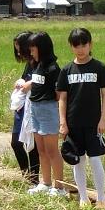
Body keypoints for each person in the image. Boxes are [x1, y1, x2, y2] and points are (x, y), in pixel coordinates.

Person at [58, 27, 105, 206]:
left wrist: (103, 119)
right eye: (76, 46)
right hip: (73, 123)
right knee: (78, 161)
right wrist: (63, 123)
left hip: (94, 123)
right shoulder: (66, 70)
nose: (80, 49)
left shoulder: (99, 67)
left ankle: (102, 199)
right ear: (71, 46)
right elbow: (62, 99)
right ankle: (83, 198)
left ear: (90, 44)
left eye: (84, 45)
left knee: (96, 160)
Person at [24, 30, 65, 194]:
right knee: (40, 149)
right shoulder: (36, 65)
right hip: (35, 108)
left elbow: (58, 93)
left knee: (52, 150)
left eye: (33, 48)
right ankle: (45, 182)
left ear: (42, 48)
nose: (31, 52)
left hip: (48, 108)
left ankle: (59, 186)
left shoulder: (53, 68)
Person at [8, 31, 40, 181]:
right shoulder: (29, 64)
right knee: (16, 143)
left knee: (32, 145)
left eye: (20, 48)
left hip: (34, 109)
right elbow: (25, 78)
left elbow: (47, 79)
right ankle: (27, 175)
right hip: (22, 108)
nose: (19, 52)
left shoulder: (40, 62)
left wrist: (30, 84)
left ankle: (34, 179)